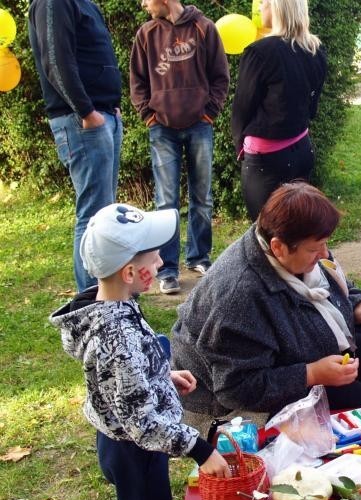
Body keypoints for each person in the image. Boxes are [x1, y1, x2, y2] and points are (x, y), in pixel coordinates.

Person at [48, 203, 230, 500]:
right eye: (154, 257)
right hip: (135, 449)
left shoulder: (107, 308)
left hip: (120, 439)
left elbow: (120, 383)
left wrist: (159, 376)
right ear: (130, 272)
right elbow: (142, 422)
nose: (161, 262)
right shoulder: (119, 338)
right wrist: (200, 449)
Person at [171, 182, 361, 436]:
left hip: (277, 358)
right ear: (278, 247)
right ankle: (353, 450)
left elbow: (333, 286)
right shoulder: (239, 296)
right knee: (353, 396)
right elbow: (235, 389)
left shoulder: (295, 243)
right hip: (228, 408)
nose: (324, 253)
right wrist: (311, 374)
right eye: (315, 249)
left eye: (325, 243)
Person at [130, 0, 230, 295]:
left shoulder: (204, 28)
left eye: (147, 0)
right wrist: (149, 116)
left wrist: (209, 113)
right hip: (162, 129)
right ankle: (168, 268)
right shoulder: (146, 34)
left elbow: (220, 76)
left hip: (200, 125)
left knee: (203, 196)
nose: (144, 5)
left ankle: (199, 257)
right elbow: (137, 82)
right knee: (166, 203)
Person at [28, 0, 123, 293]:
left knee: (105, 214)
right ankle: (91, 303)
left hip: (103, 116)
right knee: (94, 217)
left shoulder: (86, 4)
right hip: (81, 120)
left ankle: (108, 297)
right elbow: (56, 62)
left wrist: (110, 108)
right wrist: (87, 112)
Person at [230, 0, 327, 221]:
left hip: (266, 160)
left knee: (266, 233)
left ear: (277, 7)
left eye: (263, 1)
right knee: (298, 228)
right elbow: (312, 107)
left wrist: (240, 145)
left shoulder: (260, 52)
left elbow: (242, 109)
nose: (259, 6)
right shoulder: (315, 48)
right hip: (302, 147)